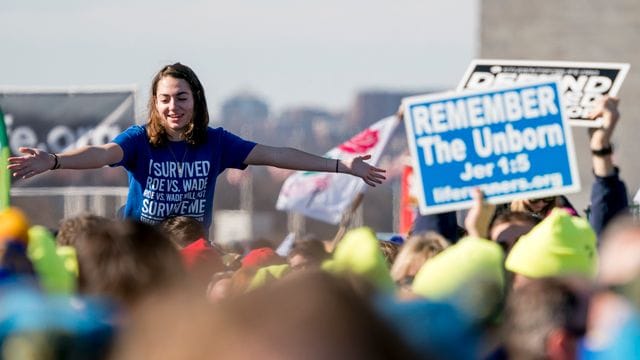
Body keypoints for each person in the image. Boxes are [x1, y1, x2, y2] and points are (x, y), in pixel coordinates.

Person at [7, 63, 386, 234]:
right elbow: (102, 154)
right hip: (143, 247)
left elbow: (277, 154)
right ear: (155, 104)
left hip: (192, 246)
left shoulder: (217, 142)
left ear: (196, 100)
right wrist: (53, 161)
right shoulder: (139, 140)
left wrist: (341, 165)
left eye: (182, 98)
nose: (174, 107)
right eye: (166, 99)